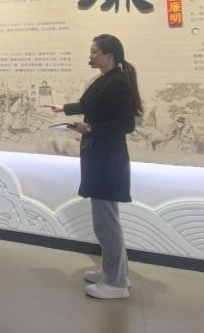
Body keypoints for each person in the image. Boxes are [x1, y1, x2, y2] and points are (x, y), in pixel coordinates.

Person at [46, 34, 140, 300]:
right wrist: (64, 108)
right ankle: (113, 273)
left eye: (95, 52)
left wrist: (91, 128)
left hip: (107, 159)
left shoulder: (117, 83)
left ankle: (116, 283)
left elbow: (126, 124)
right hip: (99, 156)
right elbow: (89, 105)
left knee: (106, 223)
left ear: (109, 55)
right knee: (106, 221)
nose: (90, 56)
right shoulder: (106, 79)